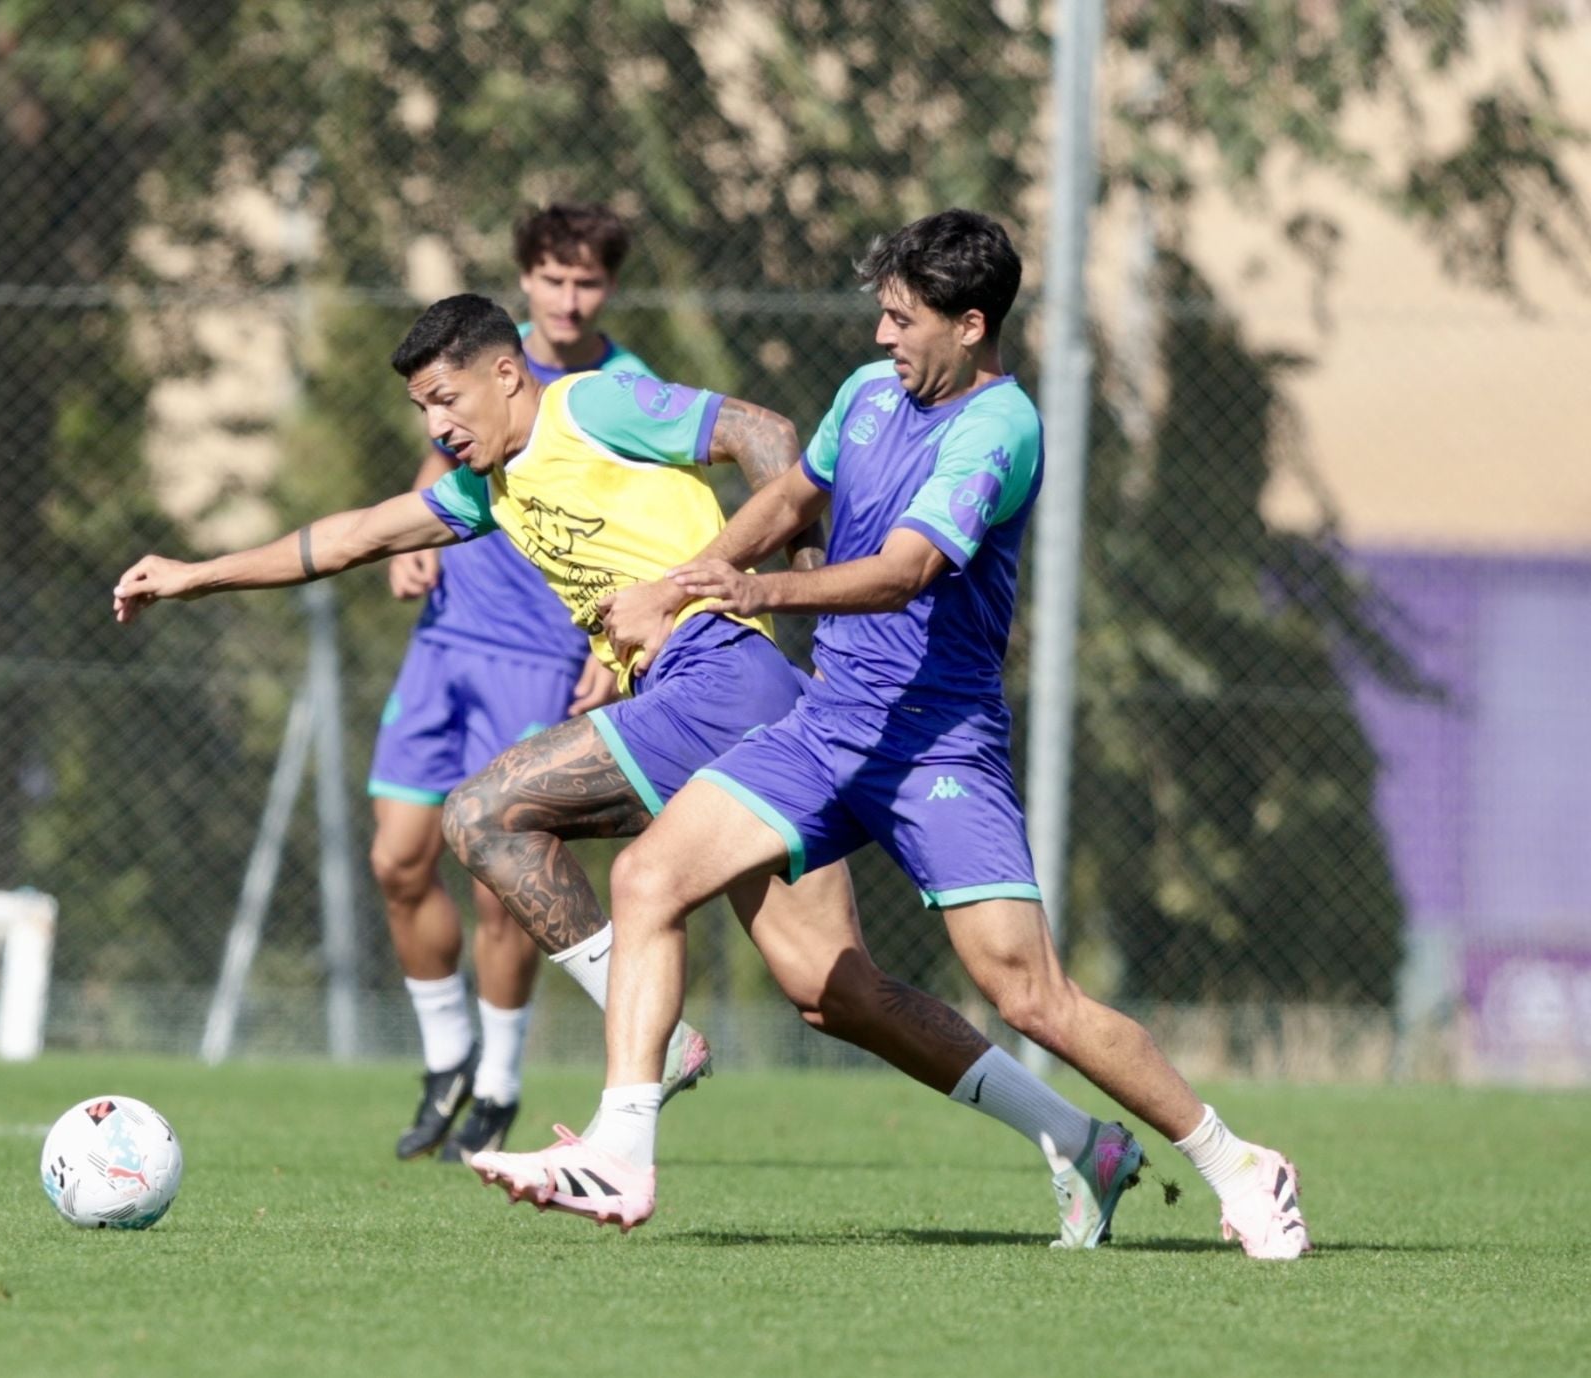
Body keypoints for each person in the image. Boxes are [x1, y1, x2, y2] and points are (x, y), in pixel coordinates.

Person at [114, 293, 1150, 1249]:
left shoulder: (593, 406)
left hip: (722, 675)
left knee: (483, 814)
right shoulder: (490, 489)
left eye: (446, 398)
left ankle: (651, 1063)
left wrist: (777, 571)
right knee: (838, 994)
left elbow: (763, 434)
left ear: (507, 375)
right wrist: (196, 573)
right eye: (421, 408)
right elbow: (351, 536)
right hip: (719, 705)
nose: (436, 427)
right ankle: (1080, 1141)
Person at [474, 210, 1312, 1261]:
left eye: (901, 319)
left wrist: (750, 587)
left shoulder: (999, 431)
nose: (881, 337)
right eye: (881, 313)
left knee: (1029, 994)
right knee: (653, 880)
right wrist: (689, 586)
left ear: (970, 325)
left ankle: (1239, 1161)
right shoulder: (870, 394)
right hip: (825, 726)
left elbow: (906, 571)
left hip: (936, 748)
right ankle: (622, 1151)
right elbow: (790, 492)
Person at [367, 204, 667, 1162]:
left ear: (607, 290)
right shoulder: (477, 362)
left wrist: (613, 642)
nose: (569, 299)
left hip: (542, 652)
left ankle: (496, 1080)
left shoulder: (621, 390)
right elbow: (440, 463)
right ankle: (445, 1055)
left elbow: (650, 520)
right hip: (447, 638)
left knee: (504, 881)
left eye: (587, 283)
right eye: (553, 279)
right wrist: (406, 554)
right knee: (399, 859)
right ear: (527, 281)